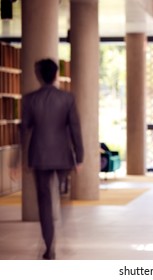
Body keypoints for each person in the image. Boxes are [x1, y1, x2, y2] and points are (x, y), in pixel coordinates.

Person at [21, 58, 84, 260]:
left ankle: (50, 245)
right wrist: (79, 157)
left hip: (39, 156)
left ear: (38, 76)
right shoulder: (67, 99)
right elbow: (75, 128)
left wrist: (17, 160)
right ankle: (65, 229)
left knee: (44, 201)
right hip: (63, 156)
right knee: (60, 195)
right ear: (56, 75)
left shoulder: (30, 99)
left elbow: (24, 131)